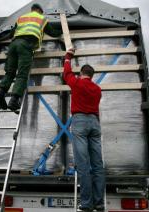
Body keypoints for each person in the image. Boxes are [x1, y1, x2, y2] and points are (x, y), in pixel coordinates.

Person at [0, 3, 62, 112]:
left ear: (32, 10)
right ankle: (14, 100)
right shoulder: (41, 18)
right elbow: (52, 32)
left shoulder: (22, 18)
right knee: (22, 74)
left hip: (13, 45)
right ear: (40, 11)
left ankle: (1, 91)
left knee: (10, 72)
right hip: (26, 45)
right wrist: (61, 31)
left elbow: (11, 34)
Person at [63, 48, 105, 212]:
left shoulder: (77, 82)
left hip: (80, 121)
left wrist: (68, 57)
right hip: (95, 122)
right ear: (92, 76)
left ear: (81, 74)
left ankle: (86, 204)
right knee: (97, 165)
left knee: (83, 164)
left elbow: (66, 74)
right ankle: (99, 203)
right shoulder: (97, 89)